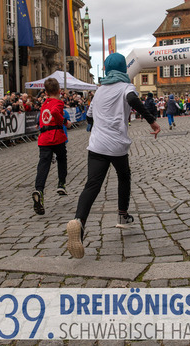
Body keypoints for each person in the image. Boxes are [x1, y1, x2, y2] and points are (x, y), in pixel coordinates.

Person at [65, 53, 160, 259]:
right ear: (123, 68)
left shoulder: (99, 91)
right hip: (117, 145)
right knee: (124, 177)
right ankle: (122, 215)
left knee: (92, 185)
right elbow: (133, 100)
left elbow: (89, 116)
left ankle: (79, 222)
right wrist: (152, 121)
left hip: (97, 145)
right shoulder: (126, 87)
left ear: (107, 70)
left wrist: (100, 122)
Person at [31, 78, 71, 215]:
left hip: (44, 138)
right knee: (62, 158)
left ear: (46, 93)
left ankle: (39, 190)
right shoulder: (58, 102)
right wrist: (65, 122)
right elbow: (54, 112)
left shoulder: (44, 104)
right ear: (59, 91)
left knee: (43, 165)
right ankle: (61, 183)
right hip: (56, 136)